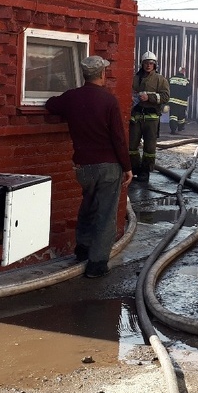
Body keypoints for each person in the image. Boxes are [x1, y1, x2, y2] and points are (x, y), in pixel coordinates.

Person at [46, 55, 133, 278]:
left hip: (83, 168)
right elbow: (118, 138)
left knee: (87, 206)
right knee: (105, 215)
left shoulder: (72, 98)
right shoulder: (109, 100)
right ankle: (96, 264)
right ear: (102, 74)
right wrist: (127, 167)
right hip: (108, 167)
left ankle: (82, 249)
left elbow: (51, 104)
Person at [130, 51, 170, 182]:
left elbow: (165, 96)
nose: (148, 65)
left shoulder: (160, 79)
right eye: (146, 63)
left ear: (155, 65)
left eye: (151, 63)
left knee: (149, 148)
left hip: (151, 118)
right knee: (131, 146)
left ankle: (145, 172)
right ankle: (134, 169)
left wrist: (150, 97)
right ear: (142, 64)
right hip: (136, 116)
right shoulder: (135, 78)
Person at [167, 66, 193, 134]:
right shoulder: (186, 81)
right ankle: (180, 127)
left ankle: (173, 129)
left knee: (173, 116)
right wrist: (184, 96)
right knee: (181, 116)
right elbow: (189, 91)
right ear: (184, 72)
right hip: (182, 102)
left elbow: (166, 89)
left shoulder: (171, 79)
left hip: (172, 101)